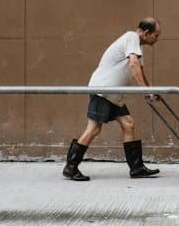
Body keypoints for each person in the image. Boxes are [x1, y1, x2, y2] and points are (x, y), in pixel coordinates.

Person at [63, 18, 163, 181]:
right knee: (94, 128)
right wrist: (146, 91)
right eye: (156, 35)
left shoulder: (137, 47)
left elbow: (141, 70)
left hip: (114, 94)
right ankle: (71, 166)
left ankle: (136, 168)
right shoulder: (131, 37)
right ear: (146, 33)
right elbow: (133, 65)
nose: (156, 39)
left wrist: (151, 90)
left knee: (128, 124)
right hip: (104, 90)